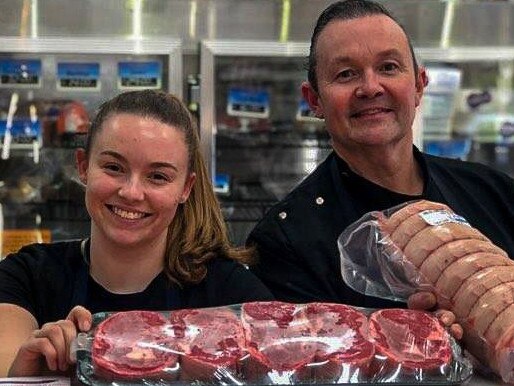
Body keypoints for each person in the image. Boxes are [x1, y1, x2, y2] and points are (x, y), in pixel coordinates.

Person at [247, 0, 513, 307]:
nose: (371, 88)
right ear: (314, 100)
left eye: (388, 67)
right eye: (346, 74)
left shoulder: (495, 194)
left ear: (418, 85)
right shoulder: (284, 242)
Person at [0, 90, 274, 377]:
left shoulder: (232, 294)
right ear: (83, 166)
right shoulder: (26, 277)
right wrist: (29, 374)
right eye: (114, 167)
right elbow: (6, 367)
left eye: (157, 176)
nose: (131, 192)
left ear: (185, 188)